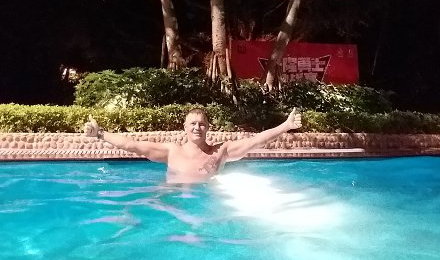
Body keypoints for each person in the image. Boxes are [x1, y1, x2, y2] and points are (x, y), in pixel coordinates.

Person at [84, 107, 302, 184]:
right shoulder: (171, 151)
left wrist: (286, 125)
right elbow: (132, 144)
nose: (197, 127)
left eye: (201, 124)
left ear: (208, 128)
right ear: (185, 127)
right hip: (173, 199)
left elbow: (256, 140)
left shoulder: (220, 151)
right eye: (193, 124)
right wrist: (100, 134)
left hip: (207, 202)